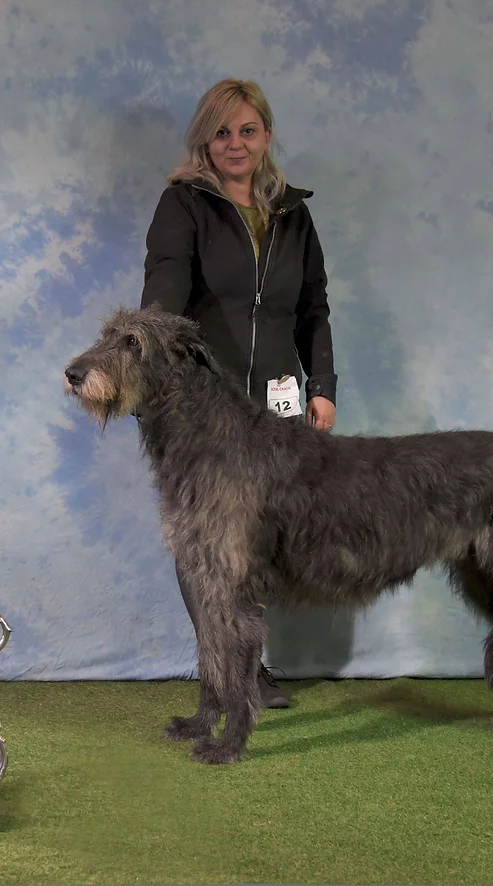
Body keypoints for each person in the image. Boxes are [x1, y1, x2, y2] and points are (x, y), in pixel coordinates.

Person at [140, 78, 338, 709]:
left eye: (247, 130)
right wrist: (153, 341)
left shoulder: (293, 213)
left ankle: (253, 661)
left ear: (266, 136)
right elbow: (165, 282)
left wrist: (323, 387)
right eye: (221, 131)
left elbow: (313, 309)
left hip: (279, 399)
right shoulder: (183, 204)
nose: (235, 143)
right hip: (202, 406)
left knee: (267, 534)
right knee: (209, 535)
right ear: (205, 138)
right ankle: (226, 671)